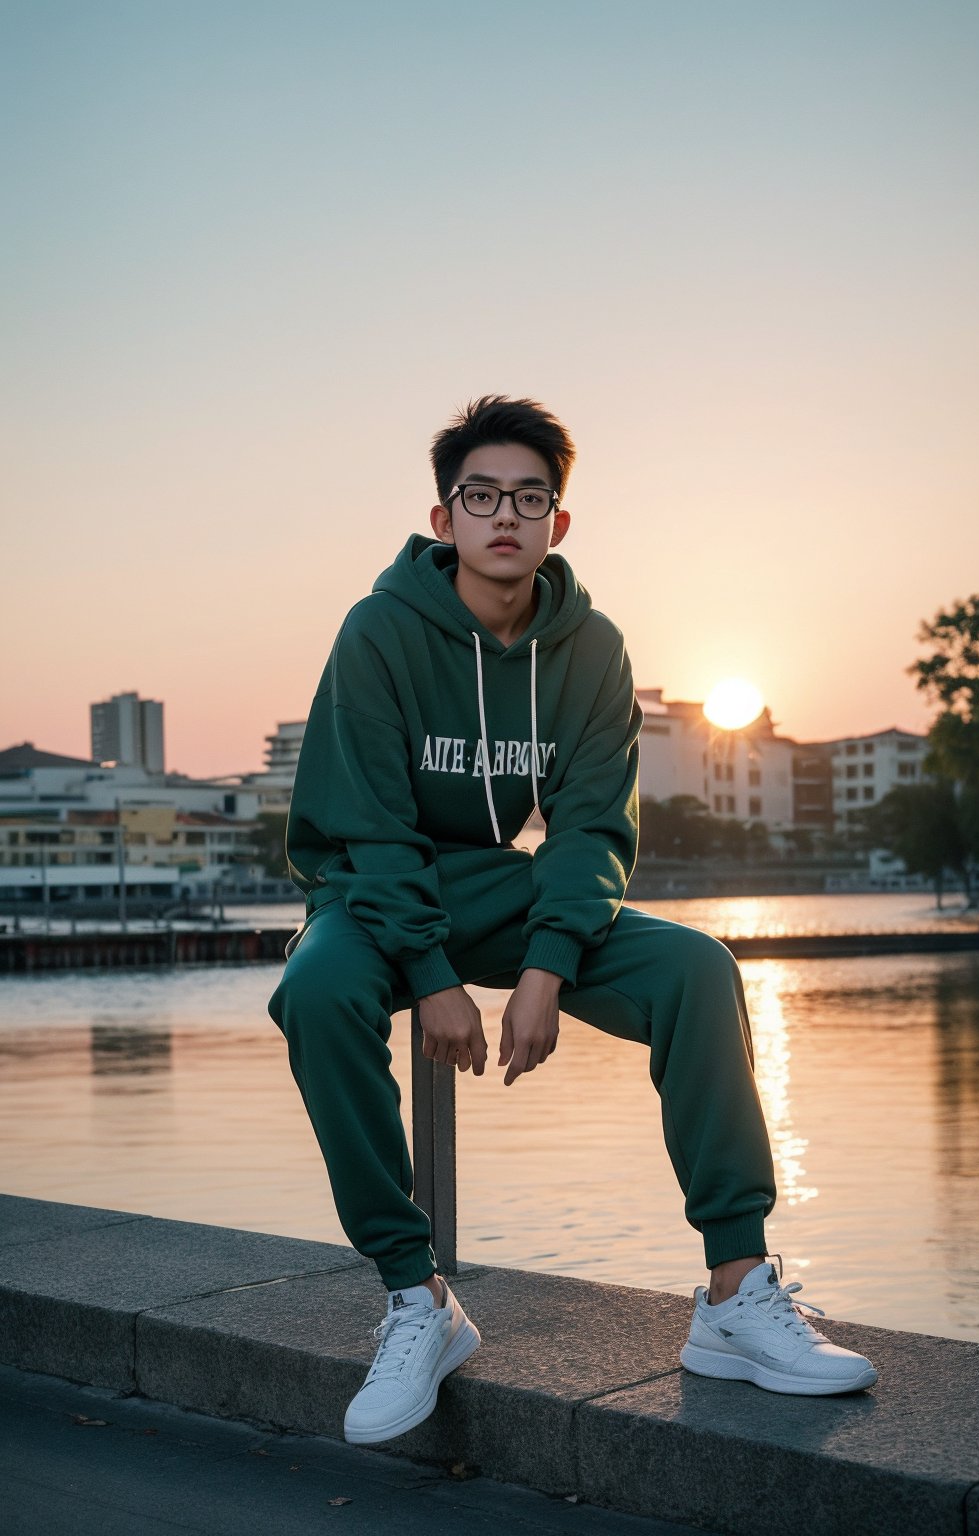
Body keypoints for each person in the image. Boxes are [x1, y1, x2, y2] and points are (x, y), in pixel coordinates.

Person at [268, 395, 877, 1445]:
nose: (505, 515)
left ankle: (735, 1295)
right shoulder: (378, 631)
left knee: (695, 968)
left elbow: (593, 829)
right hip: (373, 893)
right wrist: (431, 976)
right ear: (443, 513)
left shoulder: (590, 647)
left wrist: (546, 970)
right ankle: (417, 1299)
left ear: (559, 521)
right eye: (481, 495)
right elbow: (365, 823)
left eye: (530, 497)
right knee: (316, 994)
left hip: (503, 888)